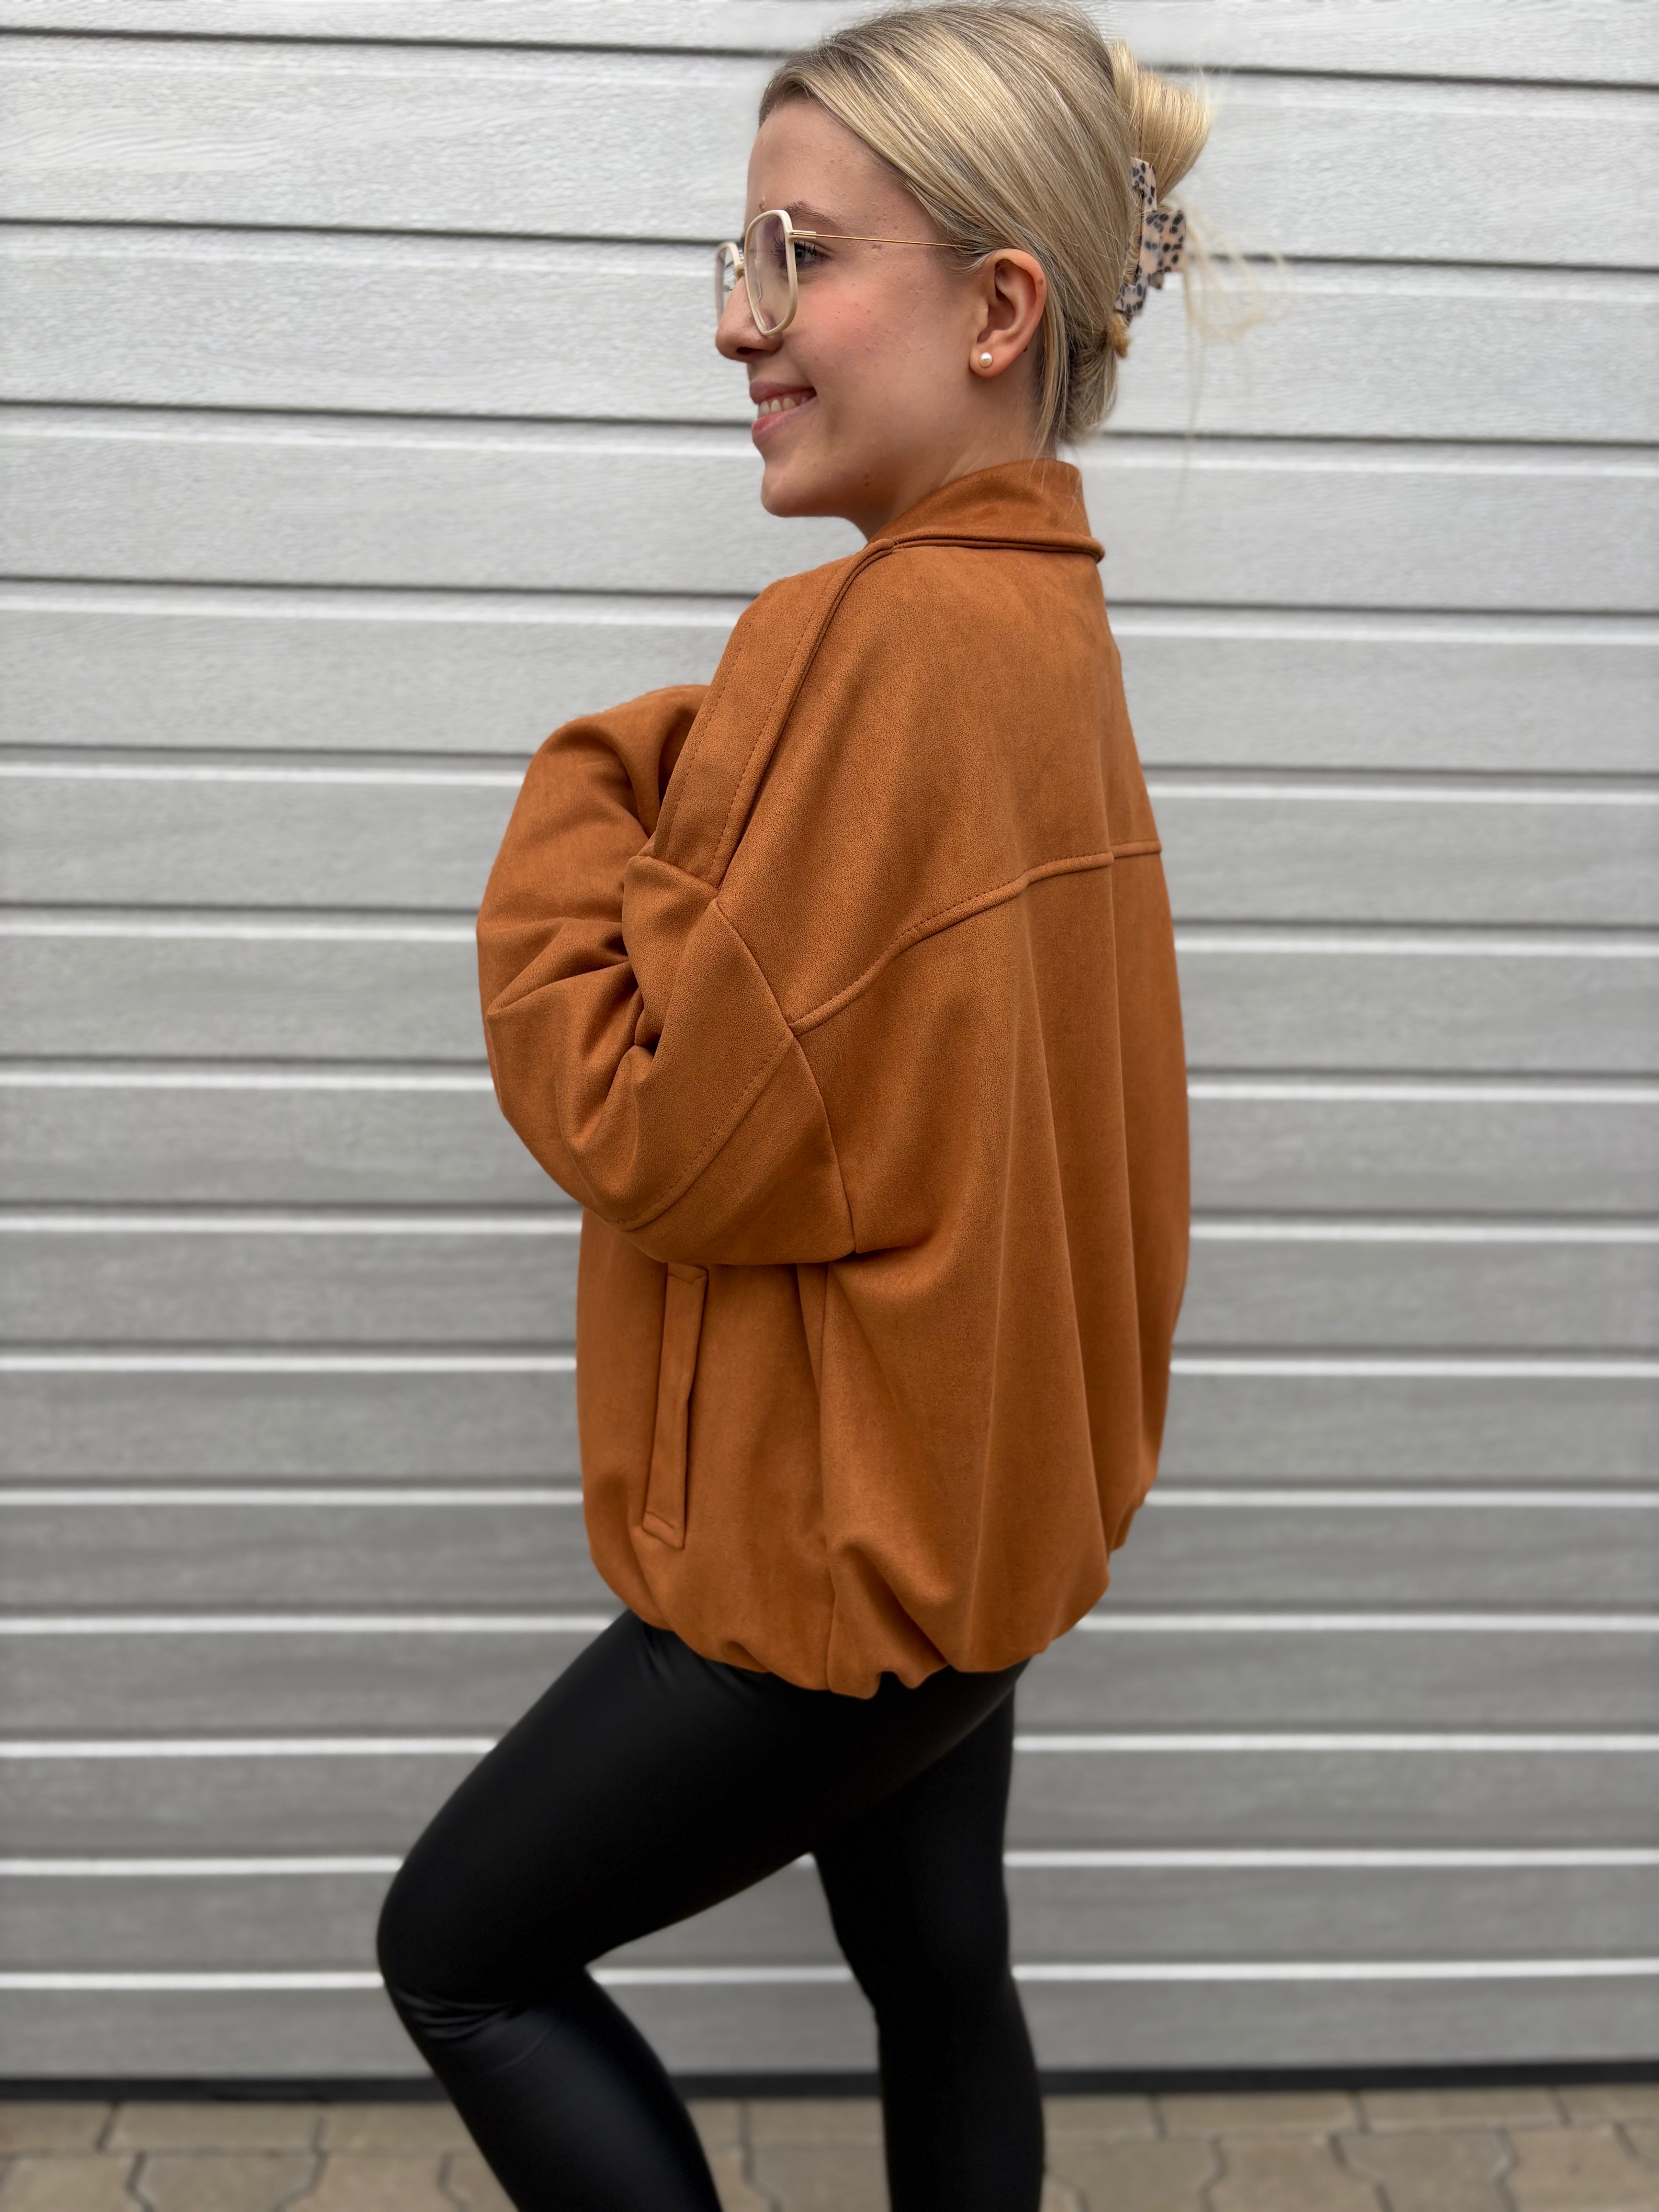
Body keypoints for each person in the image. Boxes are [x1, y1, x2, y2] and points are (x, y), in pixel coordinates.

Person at [377, 6, 1202, 2205]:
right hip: (975, 1532)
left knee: (461, 1957)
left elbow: (672, 1133)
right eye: (740, 255)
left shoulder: (880, 645)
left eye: (800, 257)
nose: (737, 320)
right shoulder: (1044, 627)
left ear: (999, 310)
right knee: (939, 1970)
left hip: (839, 1573)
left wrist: (586, 781)